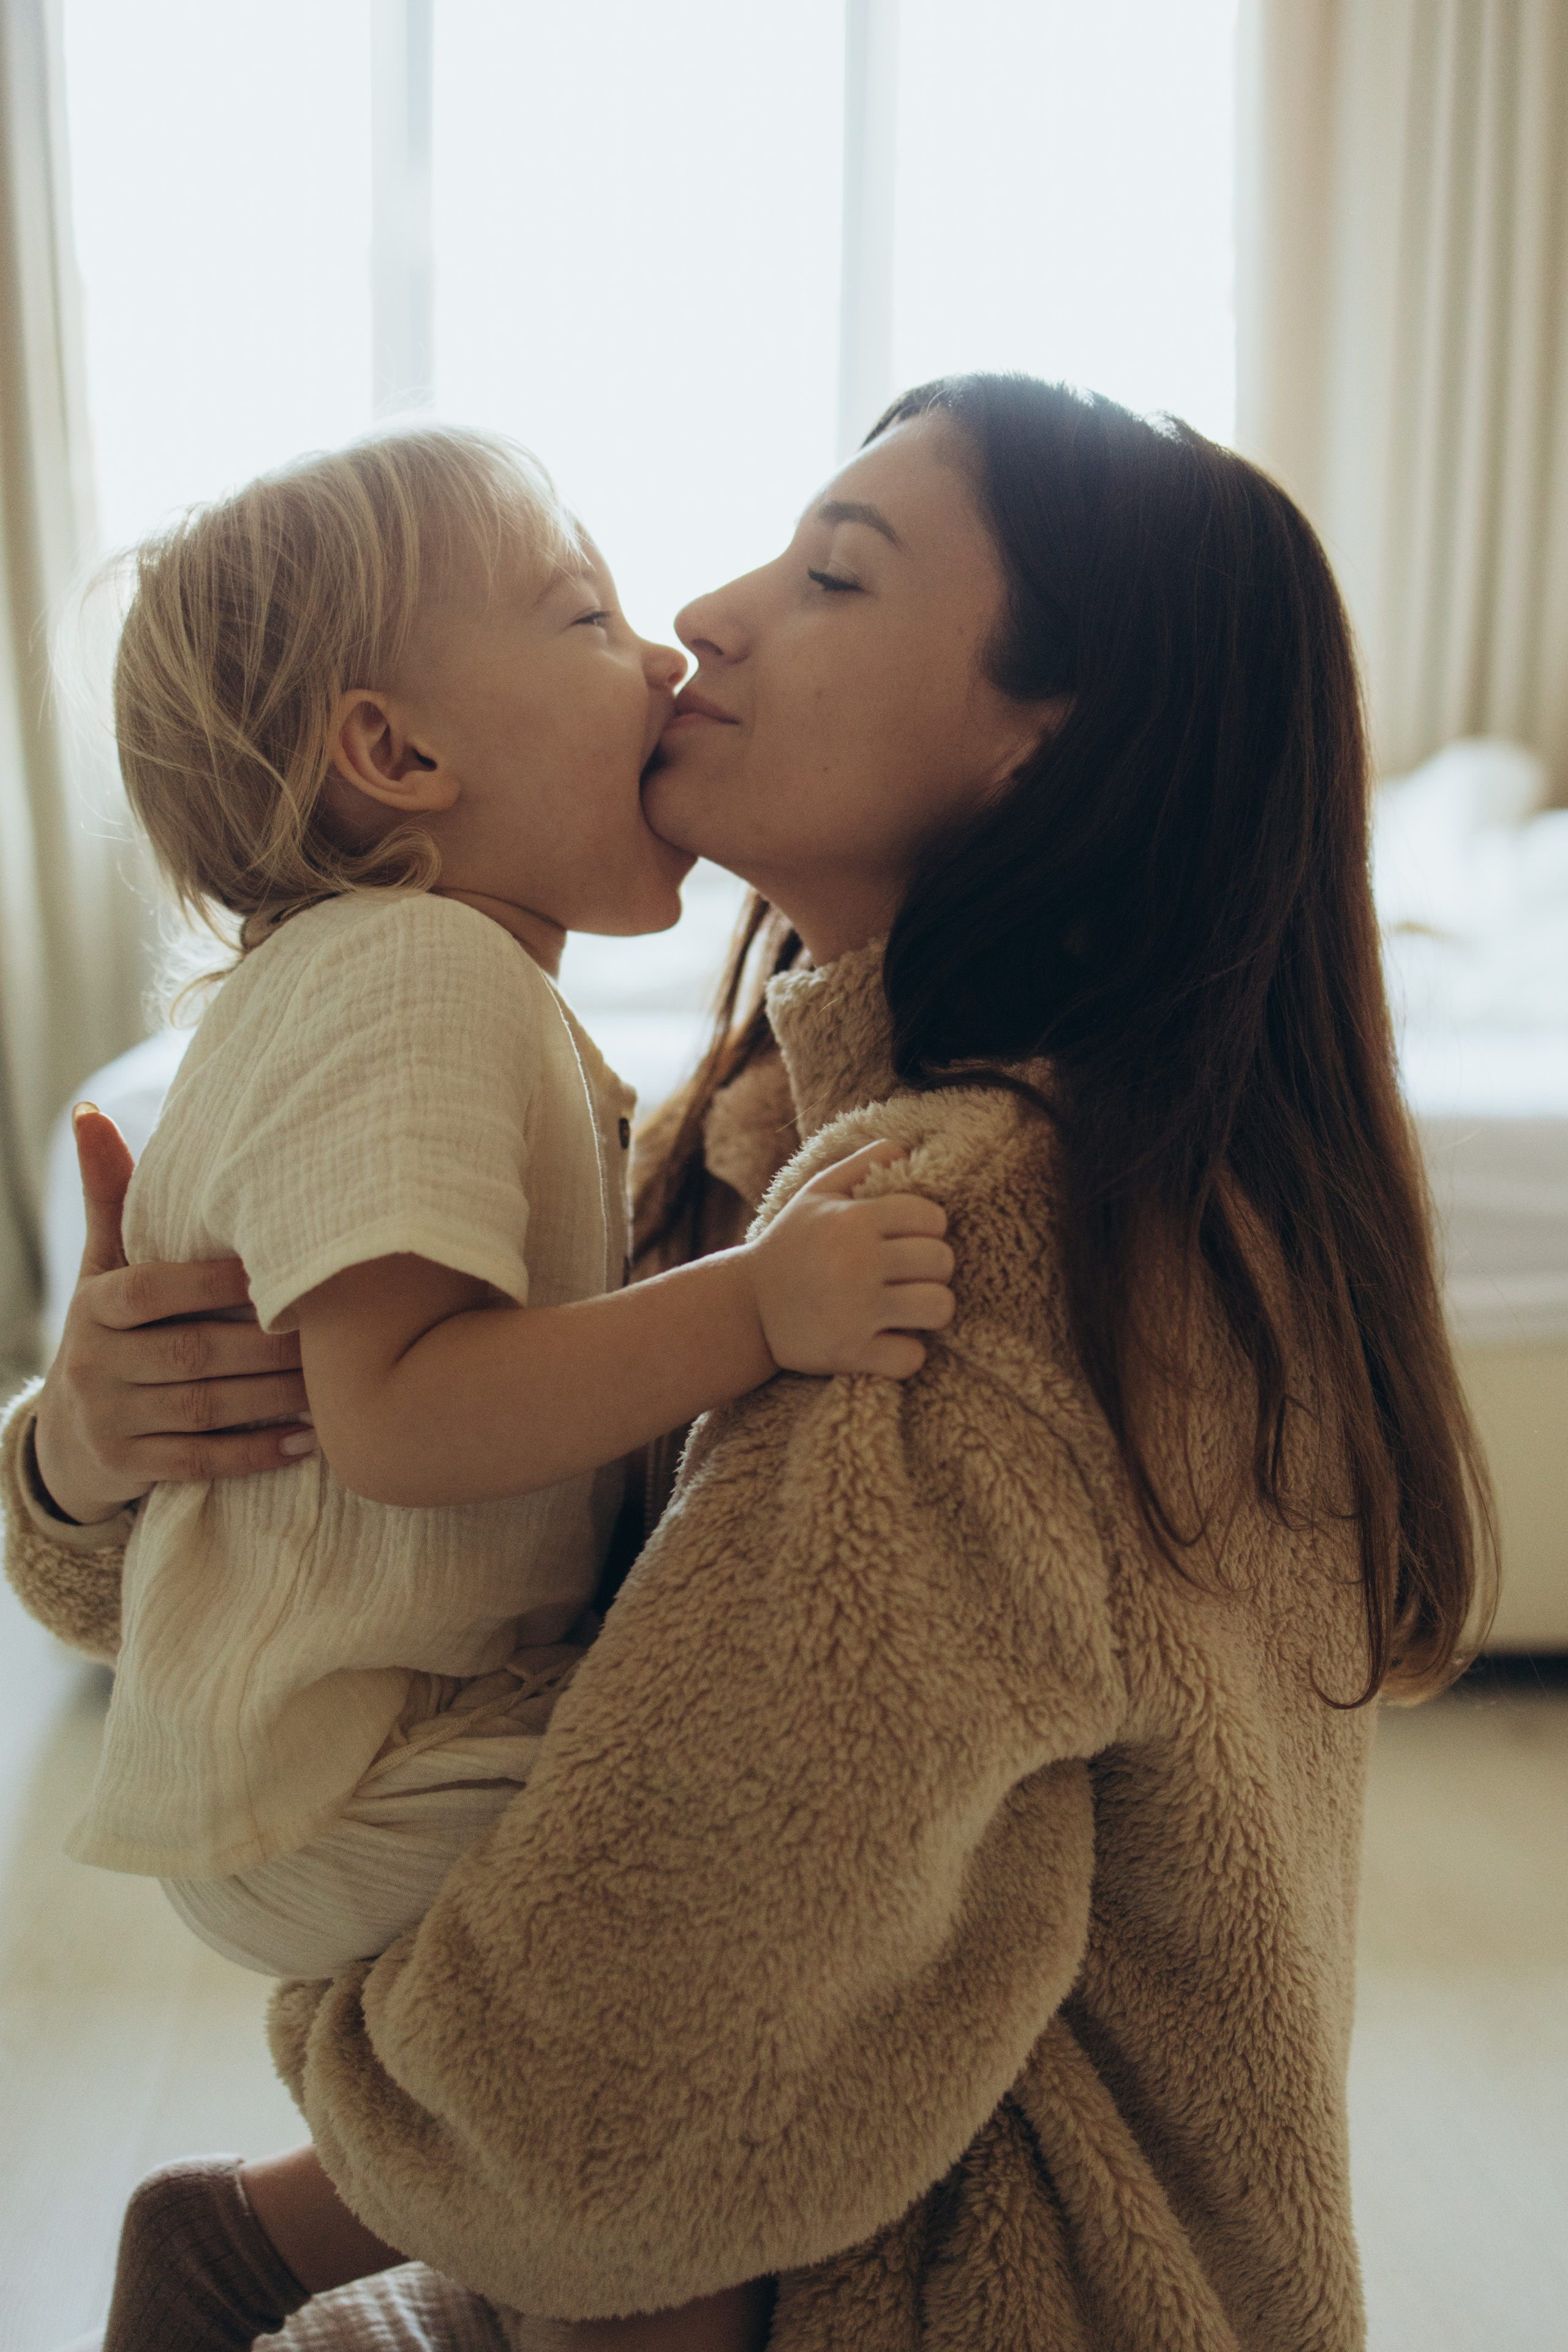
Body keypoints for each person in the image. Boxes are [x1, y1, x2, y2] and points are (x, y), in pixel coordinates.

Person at [5, 375, 1494, 2352]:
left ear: (1046, 746)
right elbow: (351, 1531)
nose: (704, 616)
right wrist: (87, 1451)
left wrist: (303, 2192)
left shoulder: (967, 1242)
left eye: (833, 575)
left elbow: (615, 2092)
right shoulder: (743, 1140)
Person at [17, 424, 954, 2352]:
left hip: (341, 1740)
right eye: (591, 614)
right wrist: (758, 1304)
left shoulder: (411, 984)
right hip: (369, 1756)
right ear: (398, 757)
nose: (672, 653)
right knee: (731, 1951)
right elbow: (401, 1415)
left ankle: (283, 2248)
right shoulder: (423, 980)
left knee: (667, 2109)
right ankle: (323, 2255)